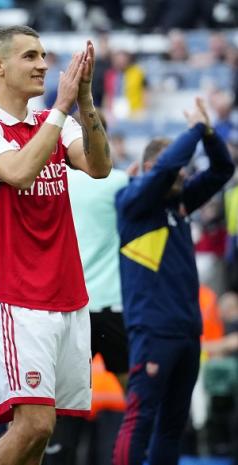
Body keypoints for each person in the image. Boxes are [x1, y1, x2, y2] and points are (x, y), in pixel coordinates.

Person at [0, 25, 111, 465]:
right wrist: (61, 108)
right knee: (33, 424)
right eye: (30, 56)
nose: (43, 64)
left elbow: (100, 166)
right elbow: (20, 170)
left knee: (42, 435)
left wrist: (83, 101)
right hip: (18, 296)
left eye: (43, 54)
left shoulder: (51, 122)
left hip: (68, 294)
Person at [112, 98, 235, 465]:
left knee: (172, 426)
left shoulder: (179, 203)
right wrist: (194, 128)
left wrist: (209, 133)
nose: (183, 178)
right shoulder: (133, 202)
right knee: (140, 419)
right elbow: (168, 167)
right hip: (152, 330)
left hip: (187, 331)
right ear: (149, 168)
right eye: (178, 172)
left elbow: (222, 169)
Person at [44, 114, 131, 465]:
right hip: (113, 304)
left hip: (69, 307)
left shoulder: (52, 181)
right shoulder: (123, 183)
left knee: (64, 405)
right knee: (136, 398)